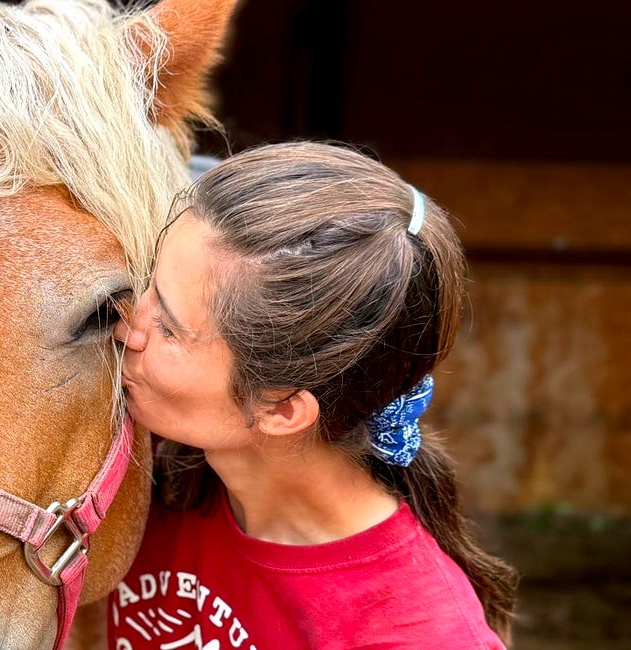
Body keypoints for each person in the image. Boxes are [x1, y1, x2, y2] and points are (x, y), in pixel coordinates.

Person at [109, 142, 516, 649]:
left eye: (167, 328)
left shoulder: (420, 634)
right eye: (148, 282)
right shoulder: (149, 466)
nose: (126, 327)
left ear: (281, 409)